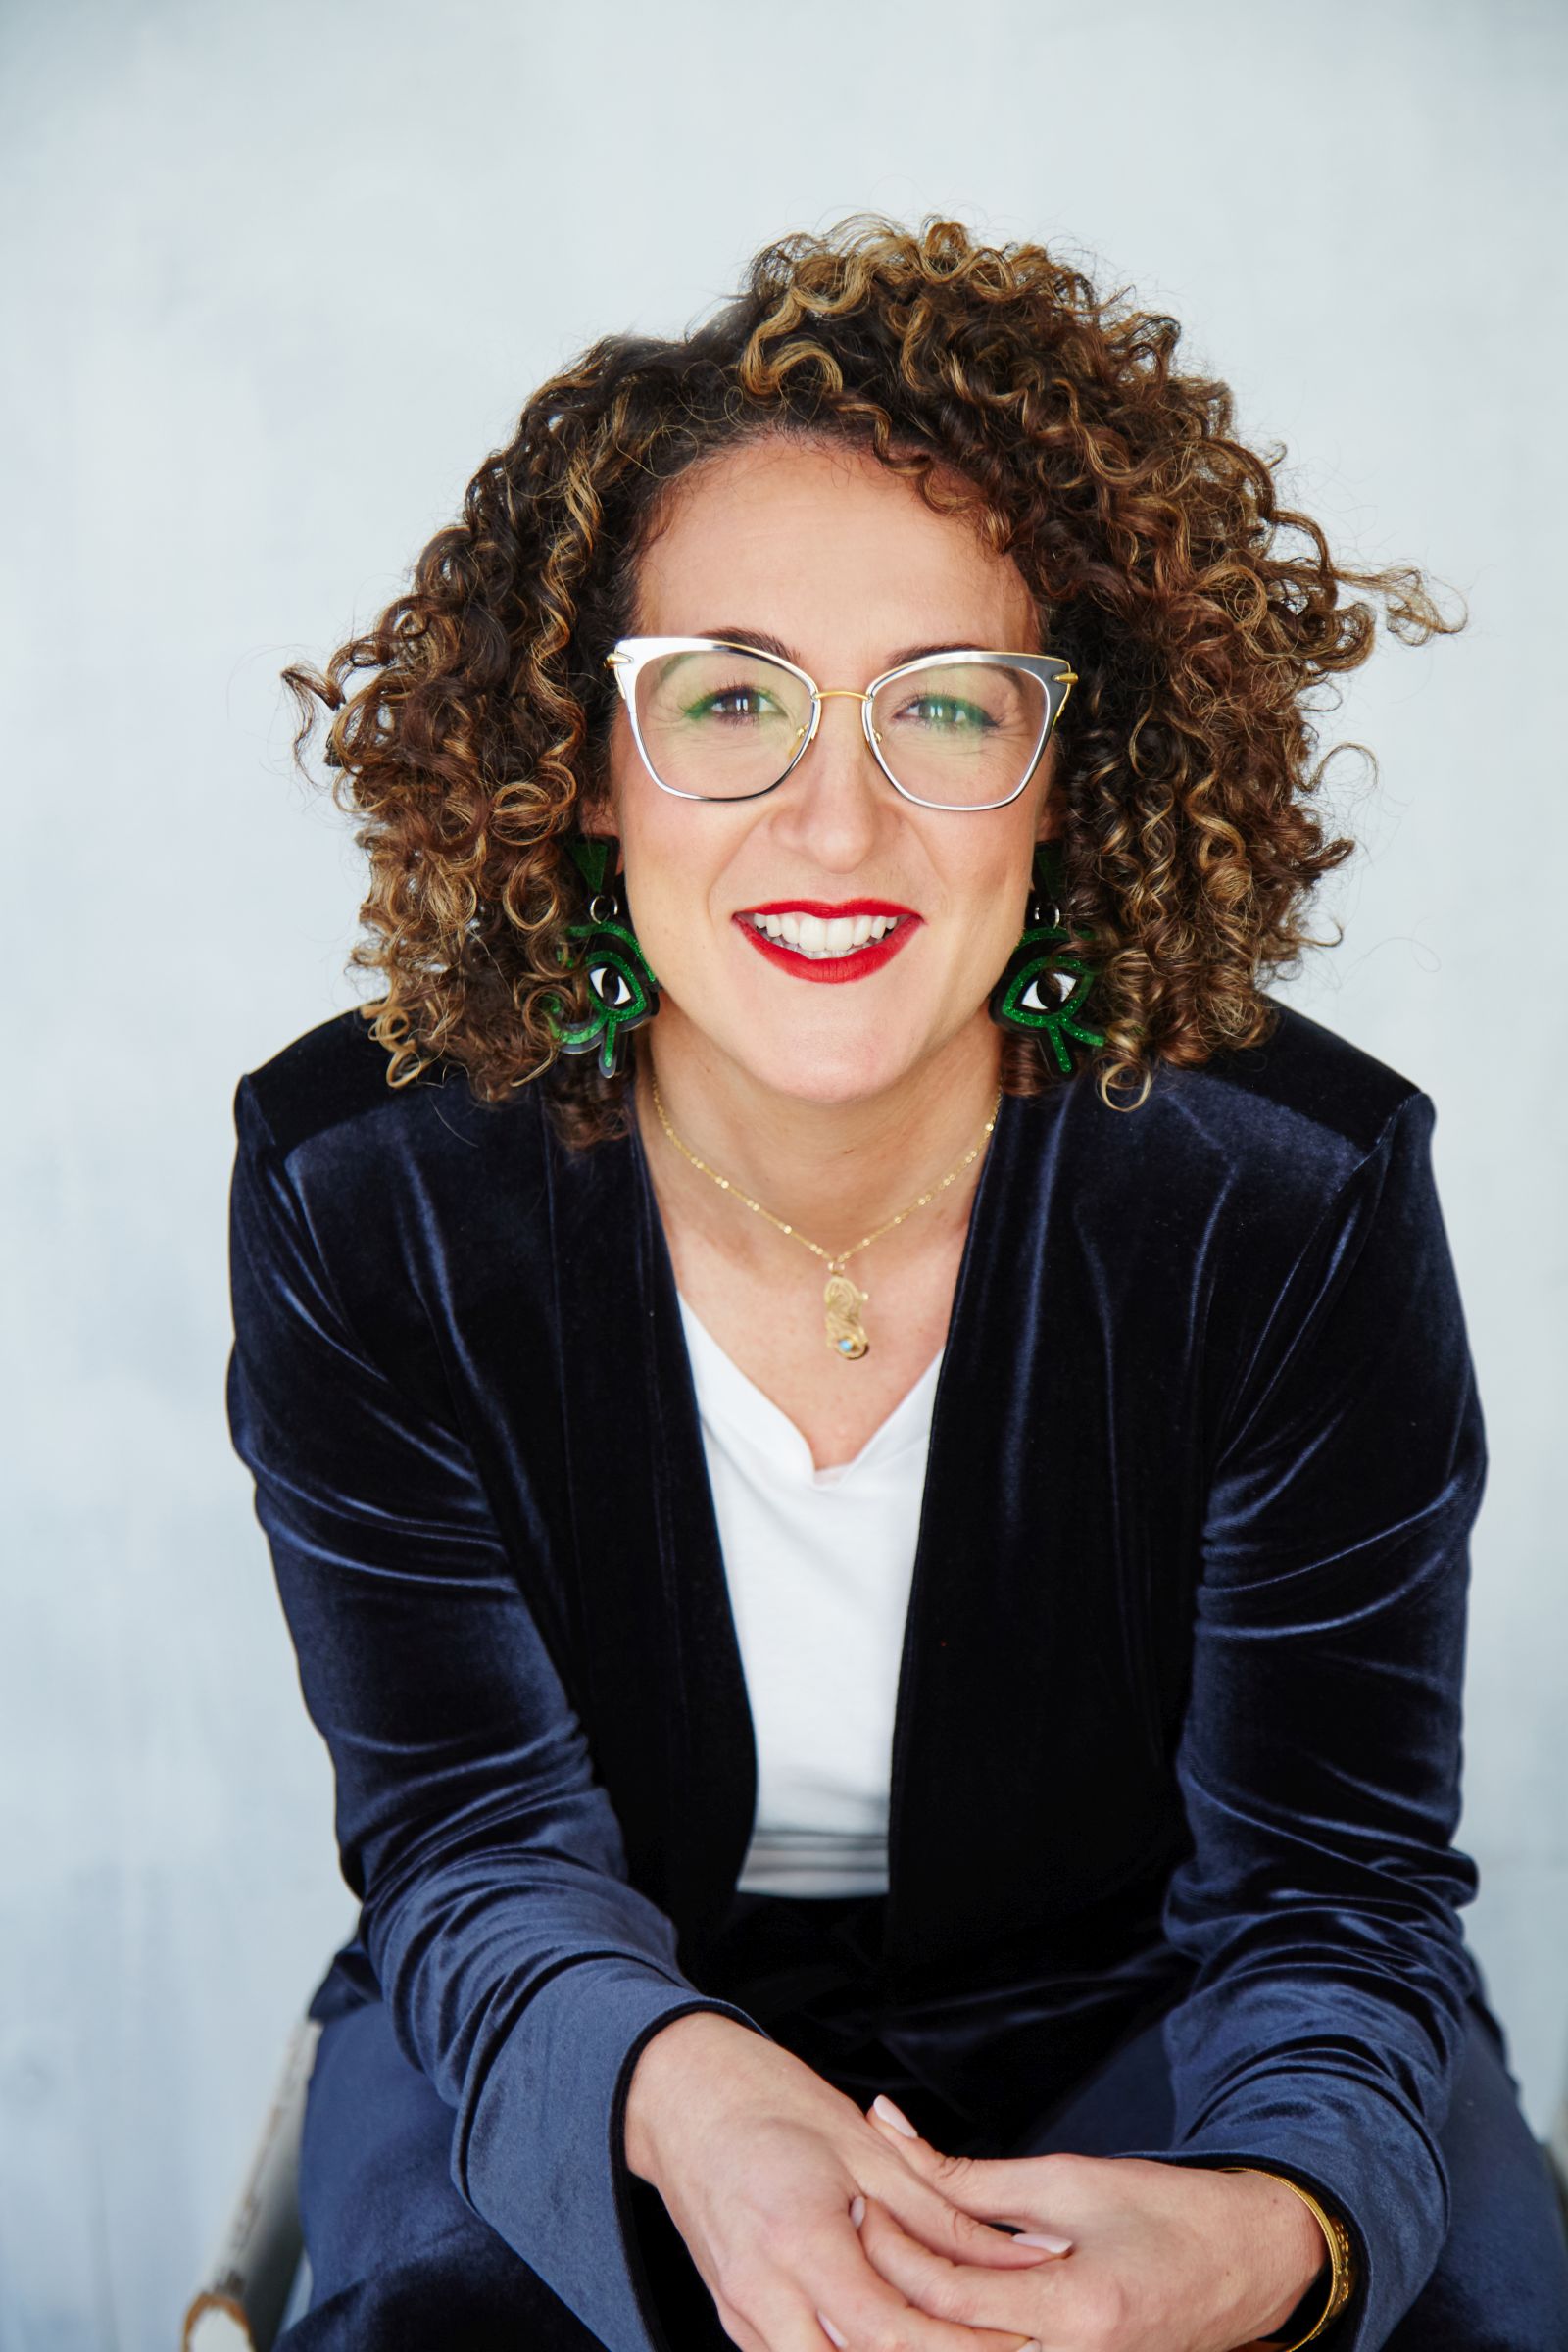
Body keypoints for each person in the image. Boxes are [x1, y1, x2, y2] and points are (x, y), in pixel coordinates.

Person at [225, 216, 1568, 2352]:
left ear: (1068, 773)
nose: (833, 822)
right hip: (594, 2010)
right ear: (580, 764)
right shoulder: (368, 1192)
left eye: (945, 706)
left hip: (1171, 2018)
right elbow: (470, 1842)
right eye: (728, 698)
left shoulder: (1289, 1198)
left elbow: (1324, 1892)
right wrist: (684, 2101)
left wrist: (1251, 2229)